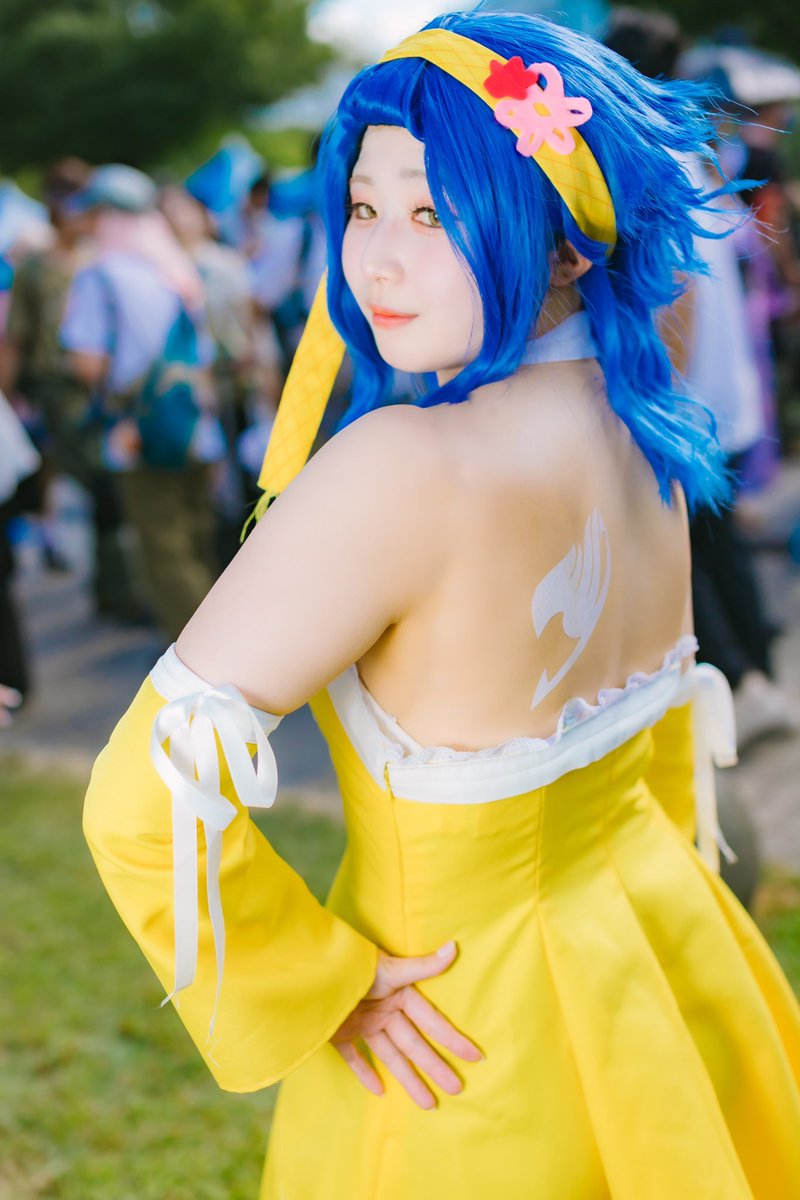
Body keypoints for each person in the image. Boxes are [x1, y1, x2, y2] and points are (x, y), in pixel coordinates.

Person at [83, 12, 800, 1199]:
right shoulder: (648, 425)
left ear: (567, 244)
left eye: (431, 214)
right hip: (664, 975)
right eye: (363, 208)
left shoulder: (402, 468)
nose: (374, 262)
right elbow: (661, 767)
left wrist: (316, 979)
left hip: (460, 1050)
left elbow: (140, 796)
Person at [60, 165, 222, 642]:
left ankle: (204, 658)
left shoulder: (99, 276)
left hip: (138, 431)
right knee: (198, 537)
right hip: (195, 422)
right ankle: (233, 640)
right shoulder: (176, 267)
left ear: (107, 215)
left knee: (165, 549)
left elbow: (88, 364)